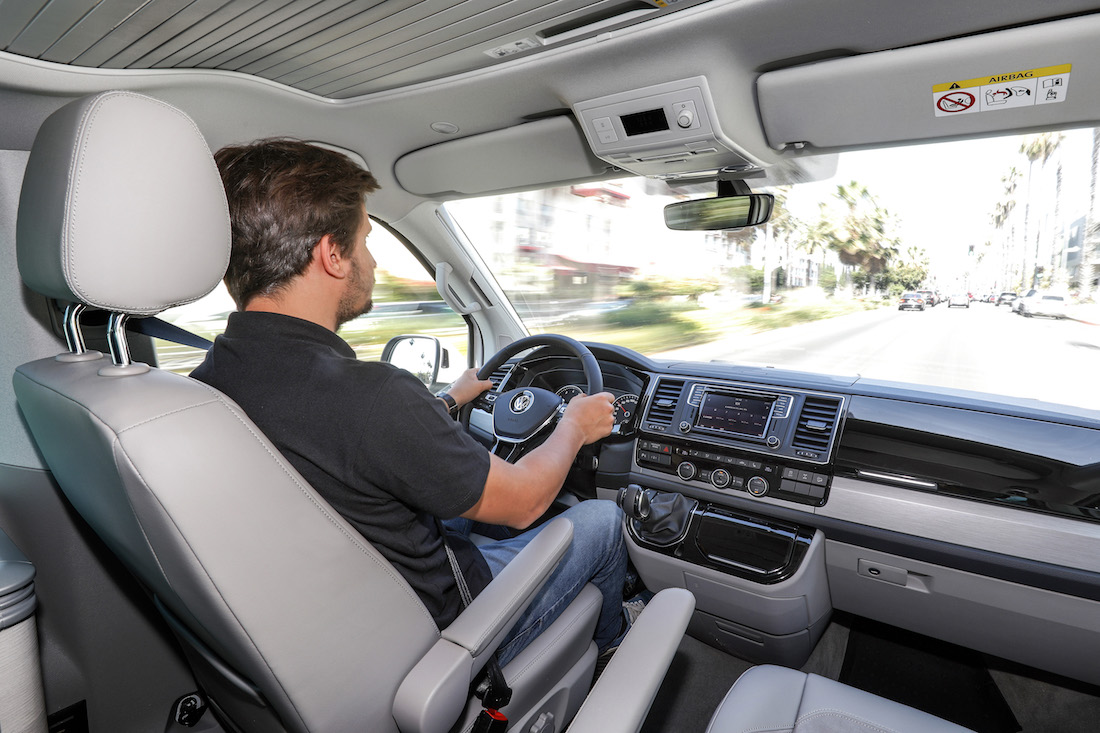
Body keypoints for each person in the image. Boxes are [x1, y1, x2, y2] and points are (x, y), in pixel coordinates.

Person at [192, 138, 632, 667]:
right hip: (446, 628)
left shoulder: (205, 385)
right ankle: (614, 655)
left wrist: (447, 402)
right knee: (603, 521)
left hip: (344, 615)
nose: (372, 260)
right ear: (332, 255)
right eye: (365, 240)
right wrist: (576, 427)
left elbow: (349, 446)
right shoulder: (372, 393)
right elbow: (523, 503)